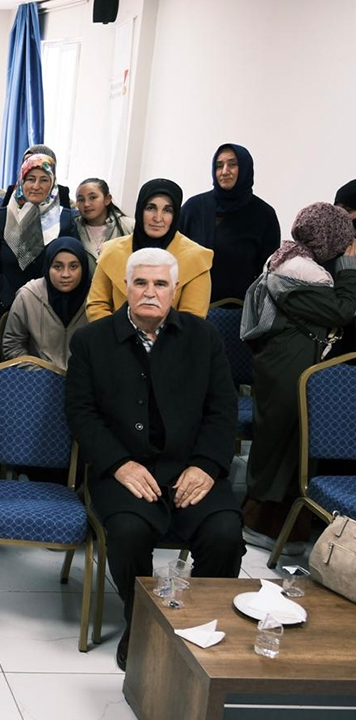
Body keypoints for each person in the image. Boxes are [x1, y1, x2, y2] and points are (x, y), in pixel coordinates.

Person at [65, 246, 244, 671]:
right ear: (126, 287)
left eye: (160, 284)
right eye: (141, 283)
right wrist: (119, 464)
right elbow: (81, 414)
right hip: (123, 468)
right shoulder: (91, 340)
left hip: (191, 466)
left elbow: (223, 409)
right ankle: (142, 623)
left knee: (224, 534)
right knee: (128, 532)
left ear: (175, 290)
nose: (150, 292)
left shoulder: (204, 337)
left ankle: (197, 624)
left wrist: (206, 465)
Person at [240, 203, 356, 553]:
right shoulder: (297, 272)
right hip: (288, 368)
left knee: (293, 446)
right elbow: (342, 310)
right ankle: (259, 525)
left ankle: (284, 531)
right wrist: (349, 267)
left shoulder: (293, 261)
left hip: (289, 364)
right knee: (281, 446)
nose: (346, 246)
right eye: (343, 239)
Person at [86, 179, 212, 321]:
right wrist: (119, 333)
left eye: (167, 210)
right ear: (140, 210)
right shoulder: (112, 251)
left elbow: (192, 319)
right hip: (114, 333)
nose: (158, 218)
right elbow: (96, 305)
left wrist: (155, 334)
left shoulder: (195, 257)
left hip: (174, 335)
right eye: (150, 208)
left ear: (176, 214)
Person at [179, 143, 282, 303]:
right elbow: (175, 257)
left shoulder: (263, 215)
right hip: (189, 306)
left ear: (245, 168)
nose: (225, 171)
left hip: (239, 311)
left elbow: (268, 275)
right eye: (219, 166)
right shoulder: (193, 208)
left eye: (232, 164)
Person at [0, 153, 78, 318]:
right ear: (22, 181)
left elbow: (70, 267)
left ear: (52, 183)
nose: (36, 186)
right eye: (31, 179)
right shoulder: (1, 217)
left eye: (44, 180)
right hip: (4, 305)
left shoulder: (64, 219)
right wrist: (12, 301)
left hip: (50, 307)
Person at [1, 236, 90, 369]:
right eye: (57, 267)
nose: (65, 274)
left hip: (85, 377)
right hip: (37, 377)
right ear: (48, 267)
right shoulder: (28, 296)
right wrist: (40, 374)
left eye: (73, 266)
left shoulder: (96, 298)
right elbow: (12, 345)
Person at [73, 178, 134, 273]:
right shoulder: (72, 227)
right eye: (81, 200)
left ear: (107, 199)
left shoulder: (129, 226)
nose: (86, 204)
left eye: (92, 197)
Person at [0, 144, 72, 209]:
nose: (29, 164)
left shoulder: (60, 192)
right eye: (26, 161)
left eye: (34, 160)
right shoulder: (13, 190)